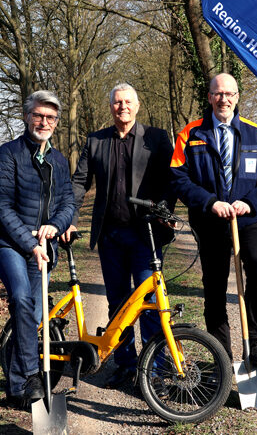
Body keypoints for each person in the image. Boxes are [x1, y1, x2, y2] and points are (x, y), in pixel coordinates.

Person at [63, 83, 175, 389]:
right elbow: (79, 182)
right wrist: (69, 219)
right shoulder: (95, 141)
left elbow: (171, 180)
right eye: (116, 102)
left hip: (145, 235)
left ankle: (155, 372)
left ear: (137, 106)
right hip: (110, 236)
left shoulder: (157, 138)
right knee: (117, 303)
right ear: (110, 107)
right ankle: (125, 364)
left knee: (149, 302)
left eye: (127, 102)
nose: (122, 106)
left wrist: (164, 211)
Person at [170, 73, 257, 365]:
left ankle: (254, 340)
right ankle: (222, 354)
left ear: (237, 97)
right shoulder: (190, 134)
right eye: (218, 94)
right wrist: (209, 202)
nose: (224, 99)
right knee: (215, 287)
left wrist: (249, 203)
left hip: (248, 220)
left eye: (229, 94)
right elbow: (178, 177)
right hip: (211, 221)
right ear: (209, 97)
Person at [0, 90, 76, 408]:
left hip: (42, 245)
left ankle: (14, 389)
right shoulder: (8, 154)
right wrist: (29, 243)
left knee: (32, 315)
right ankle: (29, 377)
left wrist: (56, 226)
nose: (44, 122)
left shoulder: (59, 160)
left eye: (50, 117)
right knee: (22, 299)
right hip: (8, 244)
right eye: (38, 115)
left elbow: (68, 202)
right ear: (27, 117)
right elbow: (1, 207)